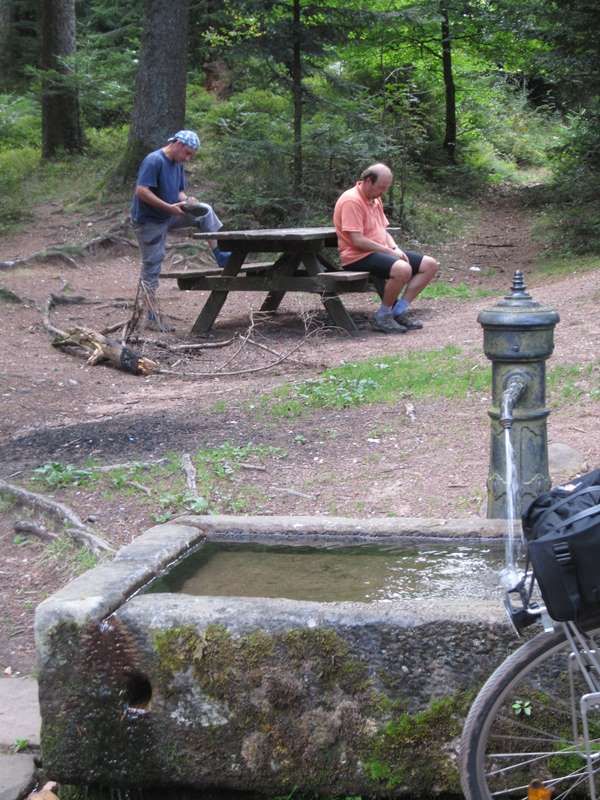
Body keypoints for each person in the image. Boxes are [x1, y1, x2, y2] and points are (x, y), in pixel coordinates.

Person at [130, 129, 230, 331]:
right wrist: (169, 208)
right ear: (178, 144)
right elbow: (141, 191)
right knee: (153, 263)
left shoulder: (177, 163)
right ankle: (150, 315)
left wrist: (188, 200)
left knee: (205, 211)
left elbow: (178, 192)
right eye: (188, 153)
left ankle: (219, 254)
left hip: (170, 214)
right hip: (149, 220)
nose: (188, 158)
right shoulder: (154, 160)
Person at [333, 163, 438, 333]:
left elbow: (383, 230)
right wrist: (389, 252)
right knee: (402, 269)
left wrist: (395, 248)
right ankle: (383, 316)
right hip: (357, 256)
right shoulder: (351, 200)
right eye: (381, 187)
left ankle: (398, 311)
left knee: (430, 265)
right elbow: (357, 240)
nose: (383, 192)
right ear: (368, 181)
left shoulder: (375, 198)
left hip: (379, 252)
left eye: (386, 187)